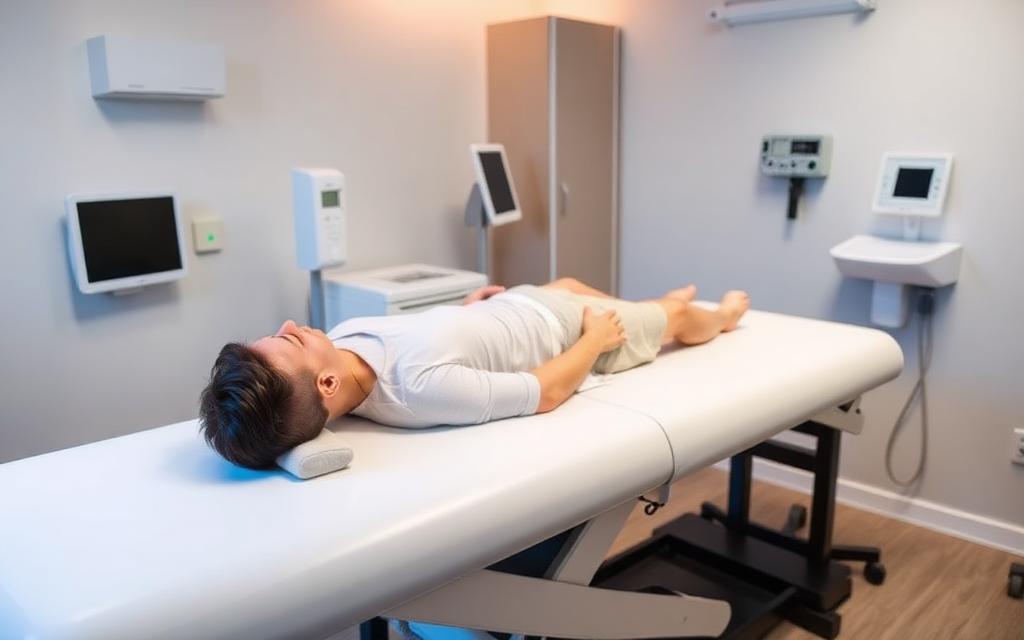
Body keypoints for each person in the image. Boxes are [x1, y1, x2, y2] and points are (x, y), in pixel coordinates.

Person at [198, 278, 750, 469]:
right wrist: (595, 339)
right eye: (291, 339)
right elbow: (545, 392)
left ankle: (652, 309)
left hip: (518, 305)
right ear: (326, 386)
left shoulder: (341, 344)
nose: (291, 324)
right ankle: (716, 317)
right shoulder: (421, 391)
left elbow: (418, 334)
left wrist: (466, 314)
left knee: (570, 281)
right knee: (677, 317)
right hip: (566, 329)